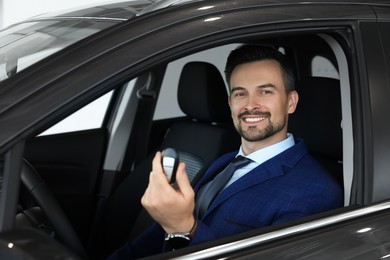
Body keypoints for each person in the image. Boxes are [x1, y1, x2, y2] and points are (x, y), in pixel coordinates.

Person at [107, 45, 344, 259]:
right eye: (240, 93)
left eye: (265, 92)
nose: (250, 105)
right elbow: (156, 236)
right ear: (230, 103)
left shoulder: (317, 193)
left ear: (290, 102)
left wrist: (185, 229)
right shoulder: (224, 162)